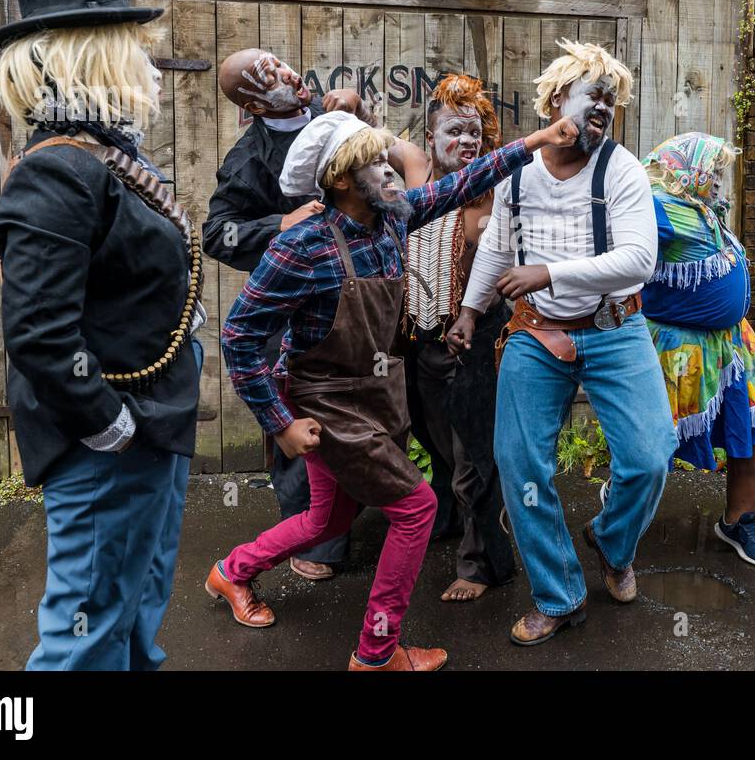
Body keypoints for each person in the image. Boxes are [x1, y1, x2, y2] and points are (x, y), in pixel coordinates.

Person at [206, 110, 579, 670]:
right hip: (326, 405)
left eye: (387, 159)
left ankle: (231, 571)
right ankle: (378, 654)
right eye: (372, 163)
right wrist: (278, 421)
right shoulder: (301, 246)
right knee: (415, 507)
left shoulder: (392, 219)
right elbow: (237, 336)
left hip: (375, 395)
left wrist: (538, 140)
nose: (389, 170)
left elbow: (462, 183)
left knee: (327, 520)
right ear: (337, 180)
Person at [0, 0, 203, 669]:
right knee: (84, 629)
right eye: (134, 48)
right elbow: (38, 331)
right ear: (97, 60)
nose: (149, 63)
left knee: (137, 595)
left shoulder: (107, 158)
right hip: (108, 436)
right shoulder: (60, 170)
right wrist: (106, 422)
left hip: (149, 420)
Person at [446, 39, 677, 646]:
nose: (603, 108)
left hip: (613, 328)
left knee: (651, 454)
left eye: (611, 101)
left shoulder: (621, 169)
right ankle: (558, 594)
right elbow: (497, 245)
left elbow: (639, 260)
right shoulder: (517, 169)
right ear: (554, 99)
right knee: (521, 463)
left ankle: (611, 541)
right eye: (591, 96)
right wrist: (471, 311)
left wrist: (551, 272)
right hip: (534, 332)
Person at [204, 53, 428, 580]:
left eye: (280, 62)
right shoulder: (247, 160)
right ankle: (317, 543)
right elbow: (218, 234)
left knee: (377, 415)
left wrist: (362, 112)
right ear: (255, 104)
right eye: (270, 75)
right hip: (295, 315)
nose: (287, 73)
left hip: (364, 312)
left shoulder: (331, 110)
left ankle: (364, 514)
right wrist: (280, 222)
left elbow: (390, 166)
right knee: (307, 441)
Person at [635, 132, 755, 566]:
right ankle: (621, 512)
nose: (719, 179)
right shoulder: (655, 205)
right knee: (656, 441)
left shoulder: (706, 209)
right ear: (686, 168)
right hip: (679, 347)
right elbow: (619, 252)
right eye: (713, 170)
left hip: (734, 344)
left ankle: (738, 521)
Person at [403, 73, 518, 602]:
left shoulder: (492, 197)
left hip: (475, 344)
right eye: (454, 131)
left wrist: (479, 311)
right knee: (433, 442)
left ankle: (484, 563)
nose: (467, 142)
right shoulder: (414, 177)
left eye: (475, 133)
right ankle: (447, 520)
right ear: (430, 138)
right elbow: (370, 137)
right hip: (420, 344)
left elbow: (508, 265)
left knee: (475, 458)